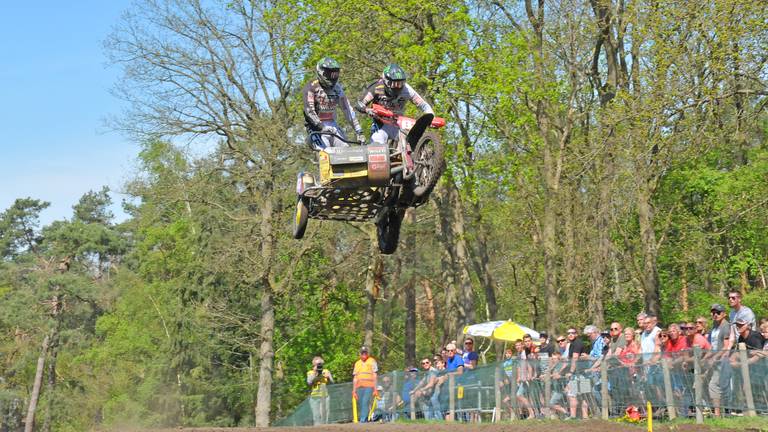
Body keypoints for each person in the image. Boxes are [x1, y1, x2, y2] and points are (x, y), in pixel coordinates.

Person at [357, 63, 434, 147]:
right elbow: (359, 103)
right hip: (381, 124)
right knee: (377, 144)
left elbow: (423, 104)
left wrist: (430, 116)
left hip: (399, 123)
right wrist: (367, 110)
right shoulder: (378, 88)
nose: (398, 86)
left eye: (400, 83)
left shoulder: (407, 90)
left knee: (409, 144)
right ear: (386, 81)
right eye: (394, 83)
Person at [303, 57, 365, 150]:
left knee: (347, 151)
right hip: (316, 127)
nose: (332, 77)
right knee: (326, 153)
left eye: (335, 74)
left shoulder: (337, 88)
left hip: (332, 124)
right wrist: (321, 126)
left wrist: (358, 130)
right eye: (329, 74)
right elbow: (309, 111)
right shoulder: (311, 87)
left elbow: (347, 109)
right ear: (320, 72)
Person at [705, 303, 732, 417]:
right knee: (718, 385)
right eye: (713, 312)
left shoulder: (725, 326)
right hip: (715, 360)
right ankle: (722, 413)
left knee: (715, 385)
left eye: (718, 312)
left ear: (724, 314)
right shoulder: (714, 325)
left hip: (723, 360)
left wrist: (716, 357)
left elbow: (726, 346)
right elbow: (712, 345)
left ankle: (719, 413)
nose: (715, 315)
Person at [353, 346, 378, 422]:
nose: (364, 354)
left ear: (367, 353)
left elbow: (375, 375)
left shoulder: (372, 361)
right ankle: (366, 419)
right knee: (361, 403)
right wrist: (354, 390)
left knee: (365, 401)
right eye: (362, 353)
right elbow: (355, 378)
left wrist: (375, 389)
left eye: (365, 352)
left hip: (369, 386)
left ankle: (363, 420)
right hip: (359, 387)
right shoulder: (357, 363)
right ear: (360, 354)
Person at [307, 356, 334, 425]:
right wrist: (315, 373)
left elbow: (332, 382)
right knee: (316, 417)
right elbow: (309, 382)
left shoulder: (326, 371)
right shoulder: (310, 372)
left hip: (325, 396)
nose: (319, 366)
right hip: (314, 397)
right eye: (317, 364)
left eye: (320, 364)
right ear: (314, 365)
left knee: (325, 416)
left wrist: (328, 377)